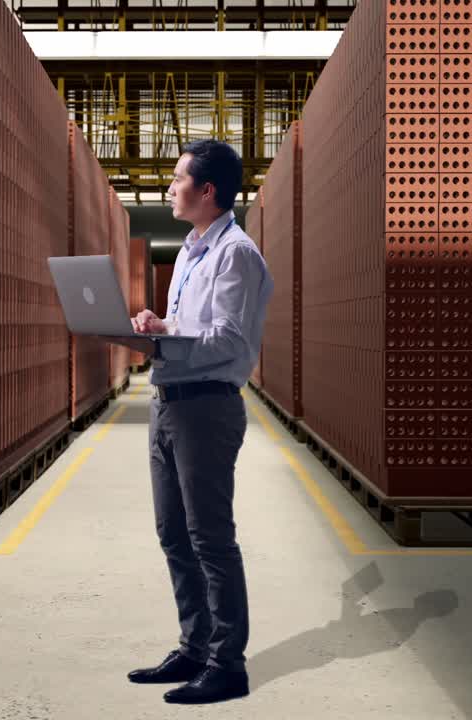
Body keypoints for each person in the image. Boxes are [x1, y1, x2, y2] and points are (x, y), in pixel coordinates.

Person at [102, 139, 273, 704]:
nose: (171, 186)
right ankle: (195, 646)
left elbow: (227, 338)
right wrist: (160, 320)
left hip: (207, 405)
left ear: (207, 190)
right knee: (172, 532)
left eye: (178, 178)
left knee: (210, 538)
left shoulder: (237, 253)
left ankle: (229, 664)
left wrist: (162, 335)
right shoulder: (192, 252)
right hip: (169, 399)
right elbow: (192, 323)